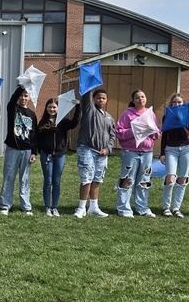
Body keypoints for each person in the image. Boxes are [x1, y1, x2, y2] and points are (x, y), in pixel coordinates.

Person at [115, 90, 160, 218]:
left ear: (146, 98)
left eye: (142, 97)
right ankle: (124, 208)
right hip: (131, 152)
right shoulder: (127, 114)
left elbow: (157, 133)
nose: (140, 99)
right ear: (133, 100)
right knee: (128, 178)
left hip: (147, 153)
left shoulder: (151, 114)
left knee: (144, 180)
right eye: (137, 97)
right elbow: (119, 132)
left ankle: (142, 207)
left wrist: (152, 131)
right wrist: (134, 130)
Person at [74, 88, 116, 218]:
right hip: (87, 149)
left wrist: (107, 149)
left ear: (106, 100)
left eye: (103, 98)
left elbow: (112, 136)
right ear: (94, 99)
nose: (101, 100)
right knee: (86, 178)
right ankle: (81, 207)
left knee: (97, 178)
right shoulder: (89, 110)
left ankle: (93, 207)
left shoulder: (109, 118)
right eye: (98, 98)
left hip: (102, 153)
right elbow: (86, 97)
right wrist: (89, 86)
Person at [35, 97, 78, 216]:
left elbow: (74, 123)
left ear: (58, 108)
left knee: (57, 181)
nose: (52, 109)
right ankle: (47, 207)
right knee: (48, 181)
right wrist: (39, 150)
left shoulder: (63, 122)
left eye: (54, 107)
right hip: (46, 156)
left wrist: (77, 107)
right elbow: (38, 139)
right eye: (50, 107)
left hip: (59, 155)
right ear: (46, 108)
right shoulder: (43, 122)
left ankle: (55, 207)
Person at [0, 85, 38, 215]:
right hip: (12, 149)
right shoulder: (13, 109)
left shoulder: (32, 114)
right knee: (9, 177)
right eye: (21, 95)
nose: (23, 98)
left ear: (29, 97)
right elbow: (12, 100)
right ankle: (5, 205)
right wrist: (21, 88)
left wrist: (33, 152)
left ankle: (26, 206)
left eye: (26, 95)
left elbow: (34, 135)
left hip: (26, 151)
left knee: (24, 179)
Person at [159, 92, 189, 218]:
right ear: (171, 104)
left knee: (183, 178)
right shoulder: (166, 117)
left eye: (179, 102)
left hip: (186, 149)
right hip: (171, 149)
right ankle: (166, 207)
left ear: (183, 104)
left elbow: (185, 135)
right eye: (174, 102)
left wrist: (180, 120)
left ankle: (176, 208)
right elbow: (164, 136)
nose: (177, 104)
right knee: (170, 178)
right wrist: (162, 153)